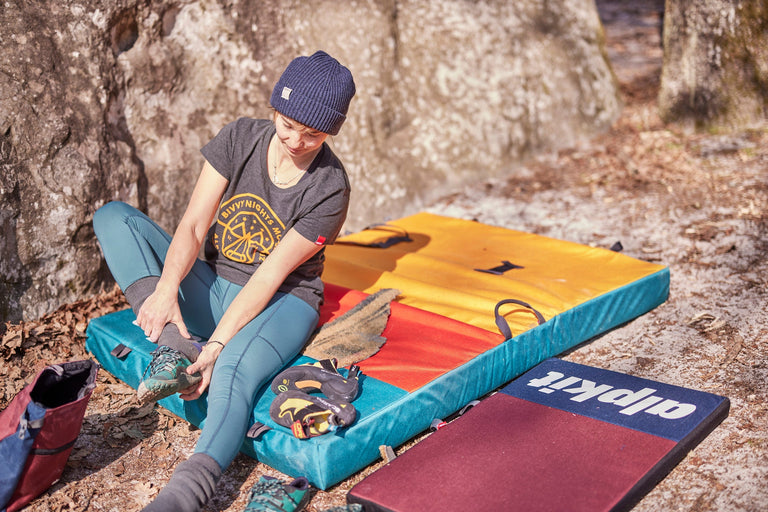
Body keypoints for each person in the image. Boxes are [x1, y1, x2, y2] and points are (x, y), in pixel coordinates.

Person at [92, 50, 355, 511]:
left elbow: (271, 273)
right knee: (114, 218)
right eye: (288, 123)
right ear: (275, 107)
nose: (295, 140)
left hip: (282, 301)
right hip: (212, 281)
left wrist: (216, 348)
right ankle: (176, 345)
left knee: (231, 372)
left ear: (331, 130)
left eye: (312, 134)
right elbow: (194, 224)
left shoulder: (330, 186)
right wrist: (166, 288)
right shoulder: (240, 138)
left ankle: (182, 496)